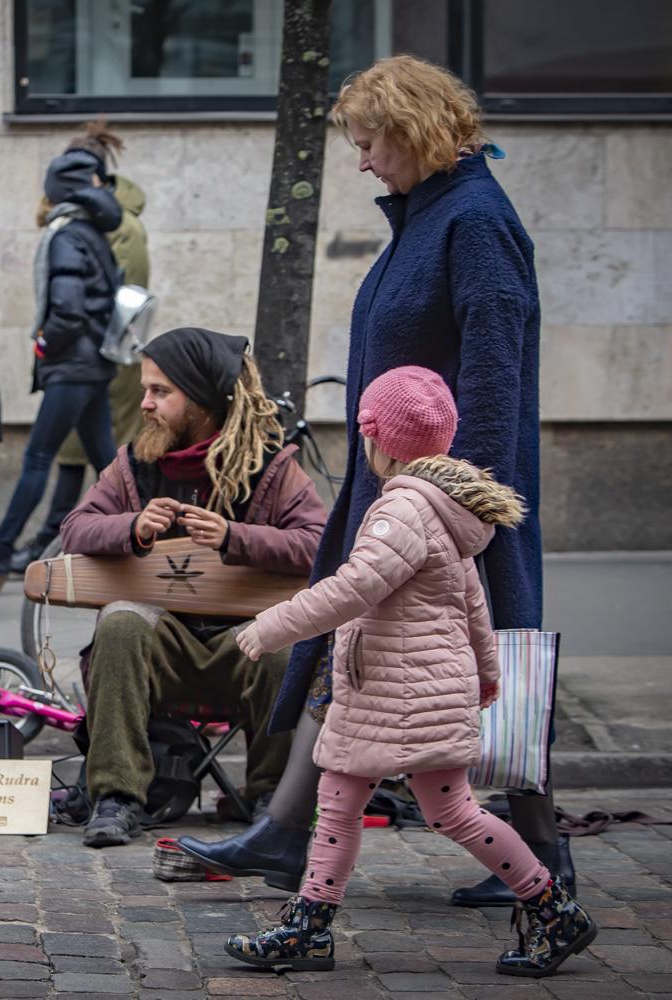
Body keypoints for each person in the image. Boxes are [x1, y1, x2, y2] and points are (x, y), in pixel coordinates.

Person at [178, 54, 569, 904]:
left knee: (477, 665)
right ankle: (287, 832)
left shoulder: (473, 222)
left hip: (443, 500)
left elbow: (493, 380)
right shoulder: (430, 217)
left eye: (367, 143)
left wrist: (457, 503)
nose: (360, 161)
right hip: (400, 487)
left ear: (412, 129)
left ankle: (542, 851)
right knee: (358, 654)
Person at [207, 367, 595, 978]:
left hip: (397, 687)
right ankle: (313, 924)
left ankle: (550, 906)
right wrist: (486, 673)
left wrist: (269, 627)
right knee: (360, 800)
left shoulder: (402, 511)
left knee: (427, 808)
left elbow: (354, 587)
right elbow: (471, 600)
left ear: (377, 440)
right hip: (412, 684)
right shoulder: (441, 506)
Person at [60, 327, 328, 847]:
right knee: (120, 622)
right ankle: (116, 797)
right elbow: (75, 528)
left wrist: (235, 537)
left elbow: (319, 543)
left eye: (161, 392)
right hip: (165, 649)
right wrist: (132, 526)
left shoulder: (271, 464)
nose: (146, 404)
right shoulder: (134, 464)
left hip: (242, 645)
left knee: (288, 643)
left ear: (202, 399)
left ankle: (274, 800)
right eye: (145, 390)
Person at [0, 148, 123, 592]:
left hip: (73, 365)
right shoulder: (92, 233)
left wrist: (45, 344)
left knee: (38, 456)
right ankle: (152, 534)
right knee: (108, 463)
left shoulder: (67, 235)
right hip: (93, 364)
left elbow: (68, 312)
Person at [11, 119, 152, 572]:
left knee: (88, 454)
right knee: (87, 453)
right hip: (90, 352)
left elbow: (114, 291)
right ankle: (57, 539)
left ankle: (60, 539)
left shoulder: (114, 223)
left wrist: (57, 339)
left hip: (99, 354)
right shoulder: (98, 217)